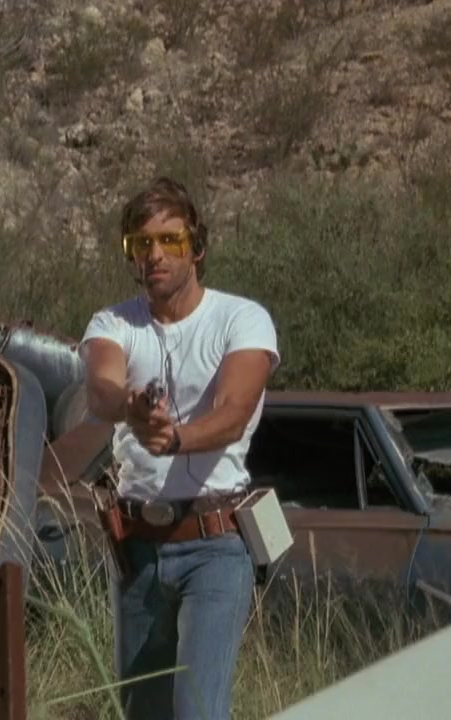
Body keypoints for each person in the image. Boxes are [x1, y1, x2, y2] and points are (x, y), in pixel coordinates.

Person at [78, 176, 280, 720]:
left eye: (171, 240)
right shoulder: (113, 322)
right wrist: (132, 407)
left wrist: (176, 439)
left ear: (197, 247)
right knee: (142, 711)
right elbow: (101, 389)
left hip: (215, 544)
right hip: (137, 545)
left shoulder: (241, 319)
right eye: (141, 243)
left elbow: (234, 413)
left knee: (197, 711)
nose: (156, 255)